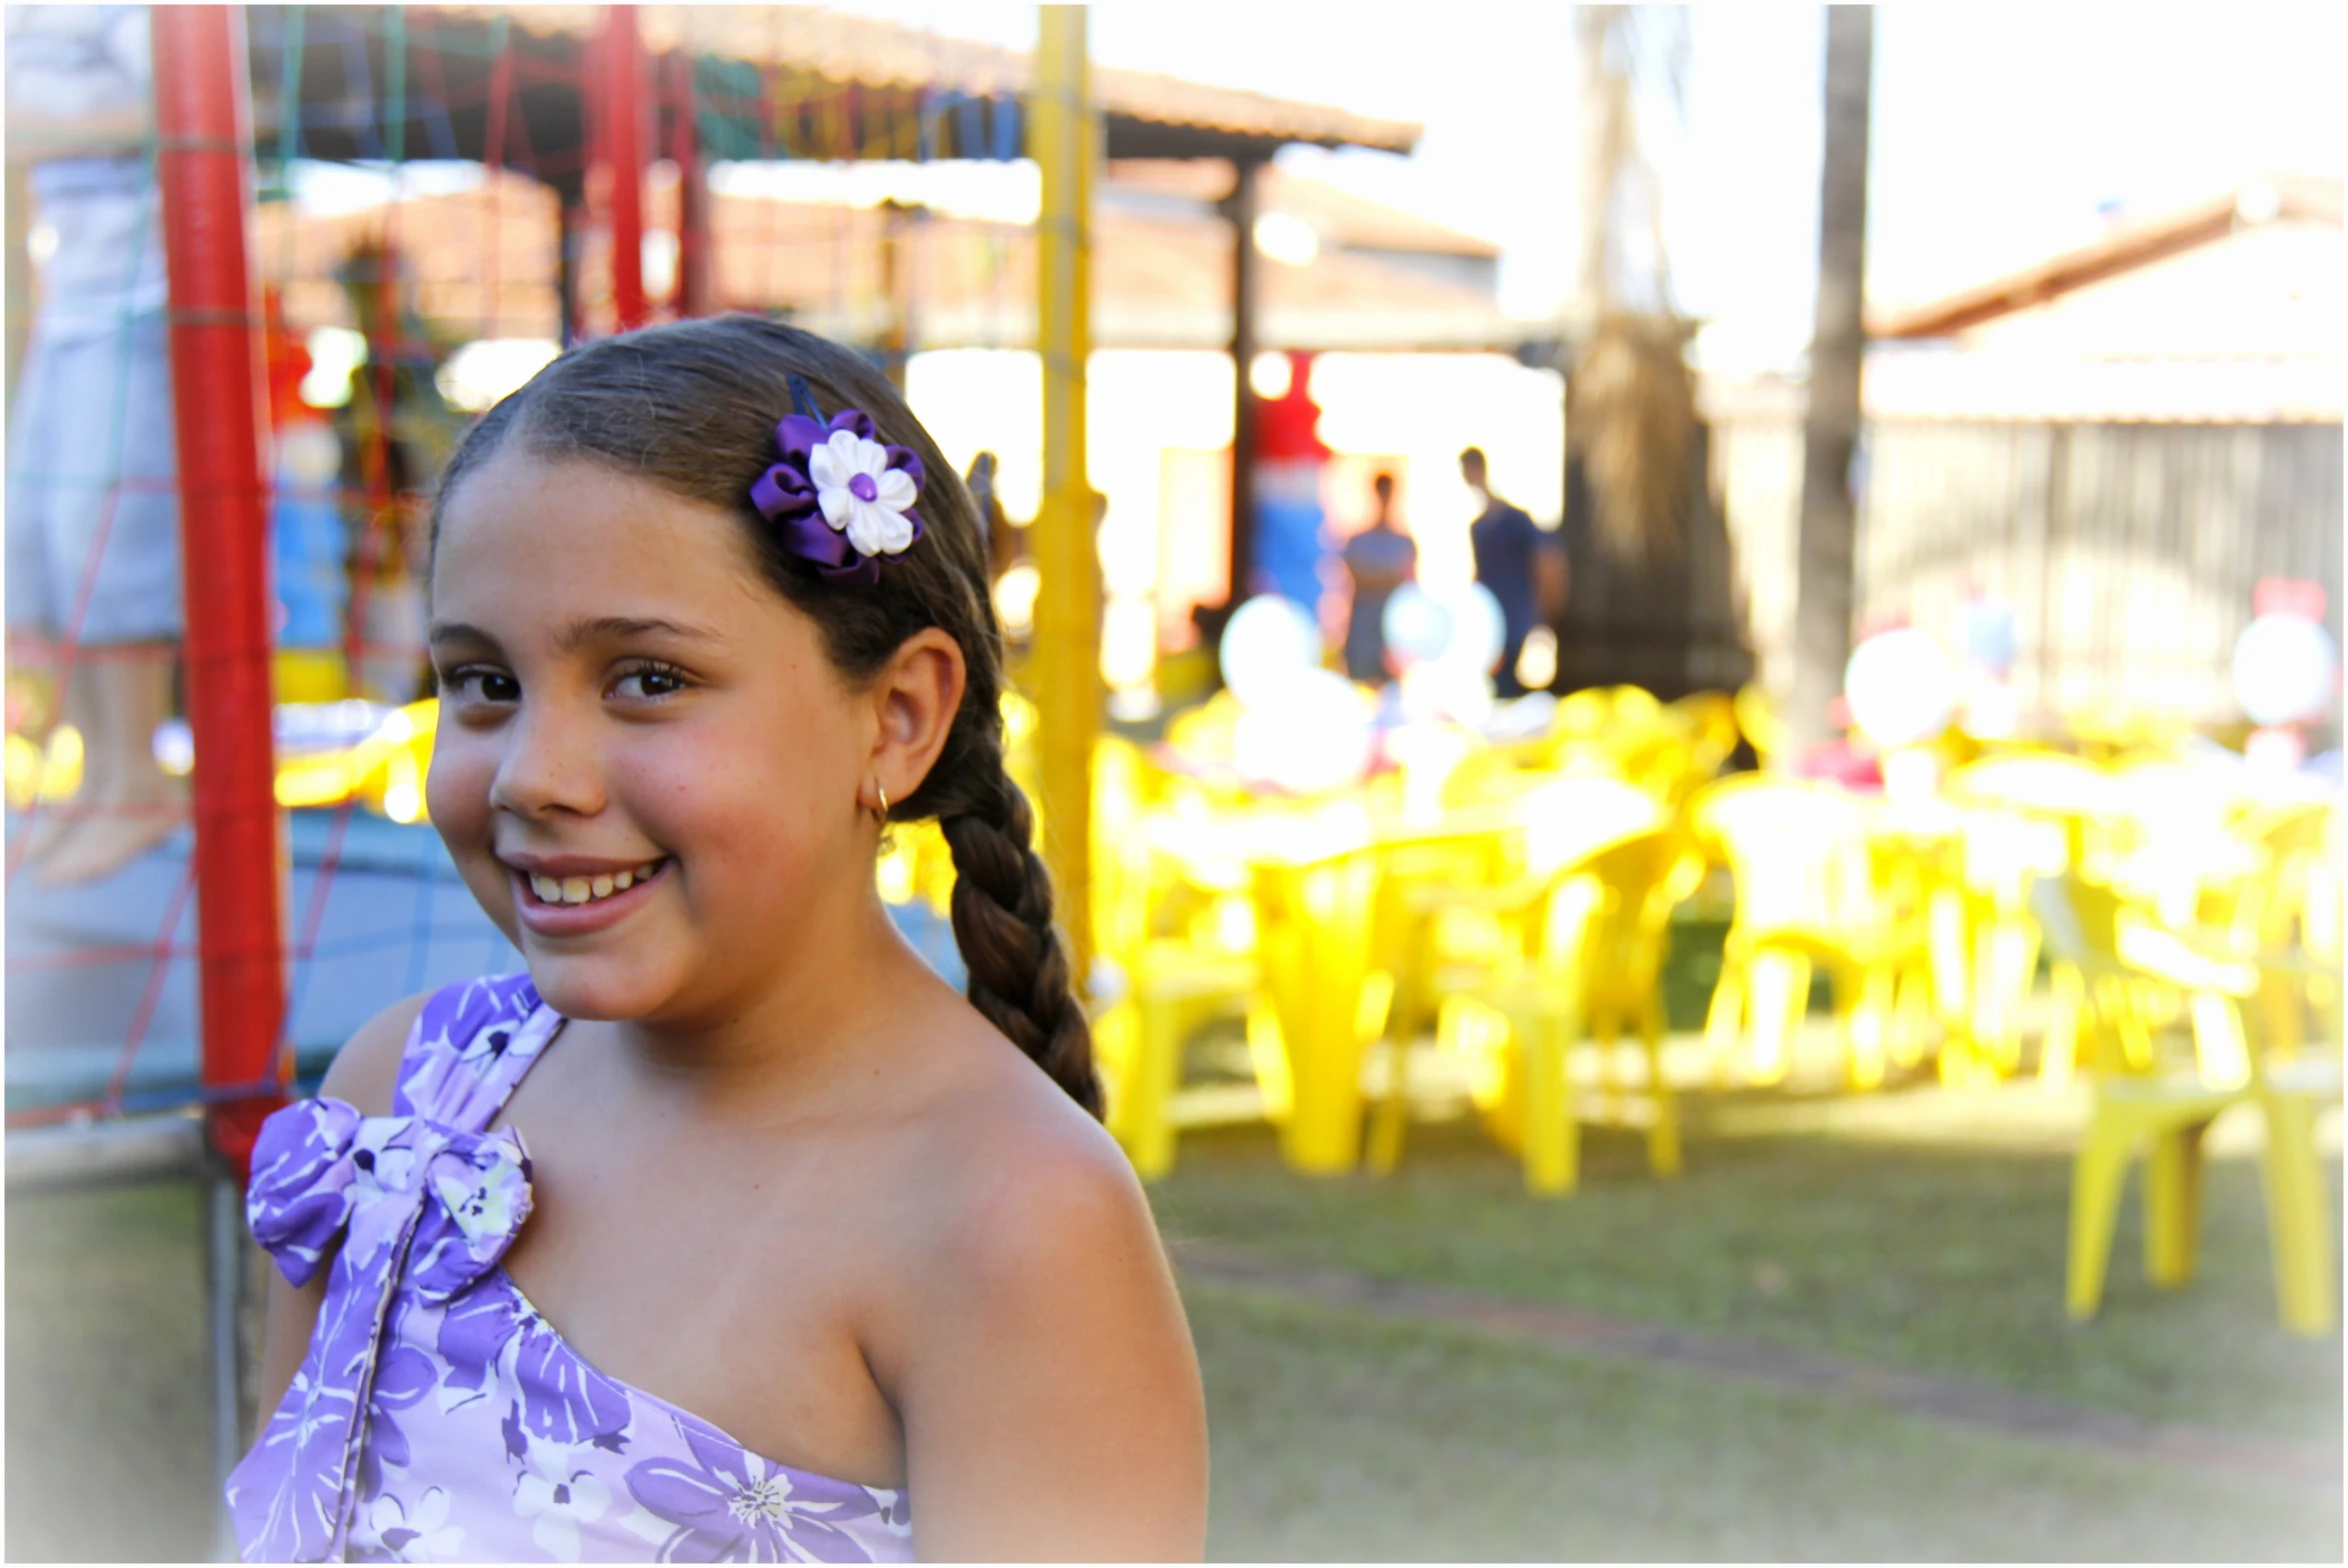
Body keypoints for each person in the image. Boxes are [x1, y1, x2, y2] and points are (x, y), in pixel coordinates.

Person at [229, 318, 1208, 1561]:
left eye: (647, 679)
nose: (536, 774)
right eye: (483, 683)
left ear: (897, 717)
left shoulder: (1009, 1223)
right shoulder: (401, 1097)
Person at [5, 5, 187, 885]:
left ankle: (139, 778)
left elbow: (202, 109)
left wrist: (43, 130)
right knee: (33, 542)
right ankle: (99, 770)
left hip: (141, 298)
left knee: (104, 538)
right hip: (64, 302)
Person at [1460, 446, 1563, 698]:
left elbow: (1544, 564)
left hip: (1517, 617)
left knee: (1513, 689)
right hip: (1492, 622)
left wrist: (1544, 613)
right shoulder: (1479, 527)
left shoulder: (1516, 520)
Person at [1340, 471, 1416, 685]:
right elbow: (1358, 575)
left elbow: (1408, 579)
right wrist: (1390, 574)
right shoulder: (1358, 540)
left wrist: (1374, 573)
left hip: (1393, 633)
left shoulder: (1404, 541)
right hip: (1362, 633)